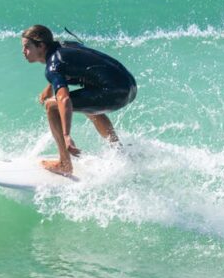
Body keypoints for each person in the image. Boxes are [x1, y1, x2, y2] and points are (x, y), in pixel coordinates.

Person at [21, 24, 137, 176]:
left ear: (41, 46)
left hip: (115, 93)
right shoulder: (65, 46)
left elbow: (64, 99)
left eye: (27, 47)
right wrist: (50, 87)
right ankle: (119, 151)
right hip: (129, 85)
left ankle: (64, 164)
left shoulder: (53, 67)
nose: (23, 52)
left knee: (51, 105)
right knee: (88, 104)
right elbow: (73, 64)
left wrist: (66, 135)